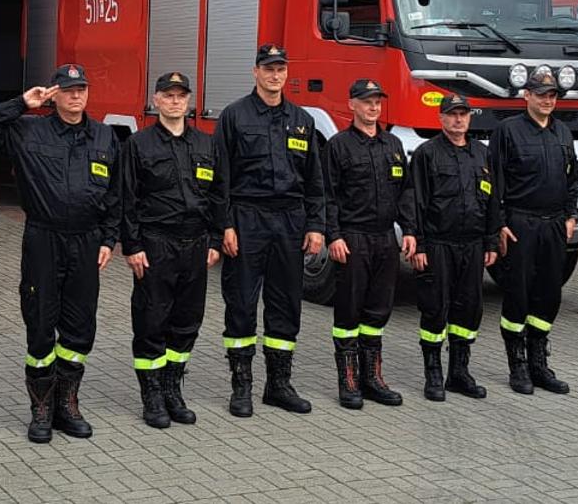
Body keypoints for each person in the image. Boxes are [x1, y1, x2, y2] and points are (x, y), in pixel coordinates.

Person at [0, 64, 121, 444]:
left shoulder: (104, 136)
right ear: (54, 94)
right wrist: (23, 103)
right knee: (40, 324)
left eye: (81, 89)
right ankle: (41, 409)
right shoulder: (28, 131)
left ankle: (67, 405)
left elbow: (116, 196)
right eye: (67, 90)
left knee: (79, 326)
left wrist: (108, 239)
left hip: (87, 242)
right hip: (43, 238)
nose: (75, 96)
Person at [213, 44, 326, 417]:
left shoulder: (302, 120)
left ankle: (278, 385)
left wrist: (315, 226)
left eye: (280, 69)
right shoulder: (234, 116)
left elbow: (314, 181)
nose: (275, 75)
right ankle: (241, 386)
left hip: (290, 221)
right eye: (268, 68)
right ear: (255, 73)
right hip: (247, 219)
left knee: (285, 303)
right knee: (242, 302)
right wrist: (225, 225)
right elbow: (221, 178)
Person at [115, 71, 221, 429]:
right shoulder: (139, 145)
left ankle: (173, 389)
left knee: (187, 321)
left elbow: (220, 196)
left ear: (188, 101)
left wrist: (217, 241)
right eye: (168, 95)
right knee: (151, 321)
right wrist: (132, 247)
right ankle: (152, 396)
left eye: (181, 96)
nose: (175, 101)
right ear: (156, 101)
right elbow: (126, 198)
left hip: (196, 246)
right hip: (155, 245)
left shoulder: (206, 144)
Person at [400, 94, 498, 402]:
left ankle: (459, 372)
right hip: (438, 245)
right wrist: (419, 244)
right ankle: (433, 374)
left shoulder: (482, 155)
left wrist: (491, 240)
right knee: (434, 308)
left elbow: (494, 201)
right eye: (452, 114)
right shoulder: (427, 154)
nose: (458, 120)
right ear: (441, 119)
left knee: (469, 309)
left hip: (472, 245)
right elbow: (415, 201)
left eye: (463, 114)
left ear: (470, 118)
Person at [487, 70, 578, 396]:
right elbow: (493, 182)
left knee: (549, 294)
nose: (548, 100)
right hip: (520, 224)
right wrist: (498, 224)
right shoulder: (507, 132)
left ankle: (540, 363)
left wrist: (571, 215)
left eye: (552, 95)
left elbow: (571, 179)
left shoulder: (563, 132)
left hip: (554, 225)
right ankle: (518, 365)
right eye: (541, 94)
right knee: (518, 295)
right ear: (526, 95)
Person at [321, 79, 406, 409]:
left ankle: (373, 378)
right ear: (352, 104)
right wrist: (334, 235)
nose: (373, 107)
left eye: (377, 102)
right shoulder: (339, 146)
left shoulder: (394, 145)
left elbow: (406, 194)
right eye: (366, 101)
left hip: (385, 238)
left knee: (378, 310)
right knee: (349, 313)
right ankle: (349, 381)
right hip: (353, 237)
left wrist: (410, 231)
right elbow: (327, 195)